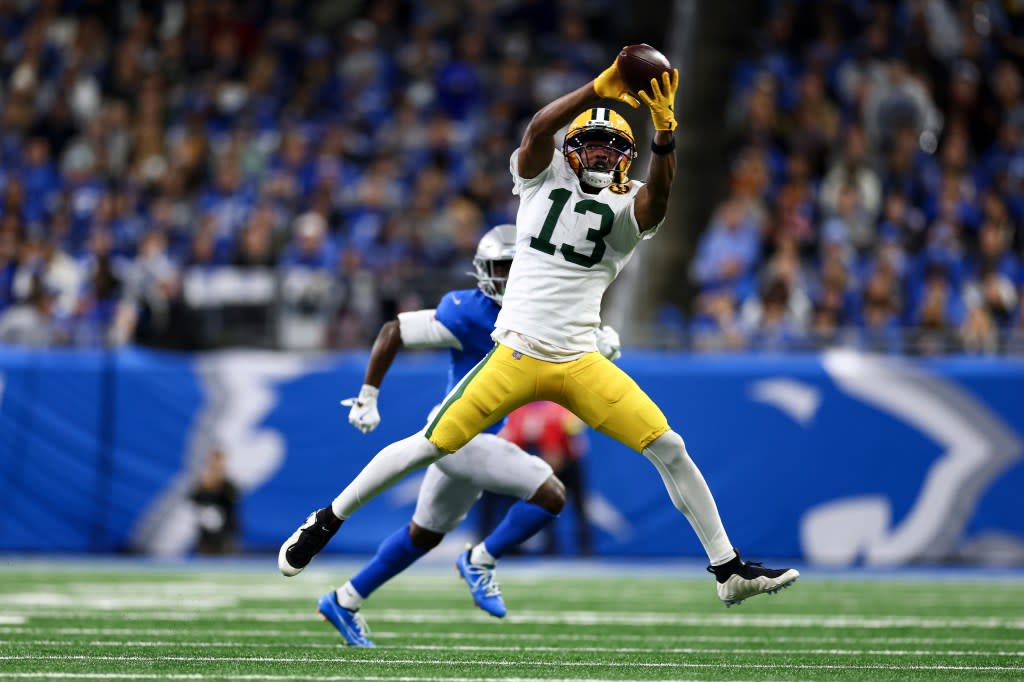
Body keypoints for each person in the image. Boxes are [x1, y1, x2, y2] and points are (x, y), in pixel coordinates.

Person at [280, 52, 799, 608]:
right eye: (591, 144)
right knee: (430, 445)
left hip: (578, 361)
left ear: (628, 158)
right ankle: (326, 519)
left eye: (612, 147)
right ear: (572, 152)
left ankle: (727, 568)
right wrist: (597, 90)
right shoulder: (539, 178)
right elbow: (538, 129)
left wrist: (666, 135)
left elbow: (661, 197)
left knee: (669, 445)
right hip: (516, 354)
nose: (600, 153)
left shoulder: (629, 207)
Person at [309, 225, 622, 647]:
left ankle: (343, 600)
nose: (508, 278)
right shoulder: (468, 312)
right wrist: (367, 395)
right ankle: (481, 559)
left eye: (515, 268)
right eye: (500, 268)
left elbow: (570, 342)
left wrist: (596, 341)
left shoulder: (541, 312)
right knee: (551, 494)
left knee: (424, 534)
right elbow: (393, 331)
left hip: (474, 442)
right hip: (457, 433)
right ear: (482, 272)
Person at [502, 401, 592, 555]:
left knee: (579, 505)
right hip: (547, 464)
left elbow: (576, 435)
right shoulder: (522, 411)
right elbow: (521, 439)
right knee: (547, 505)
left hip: (570, 462)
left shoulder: (561, 408)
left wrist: (564, 448)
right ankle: (550, 547)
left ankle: (585, 548)